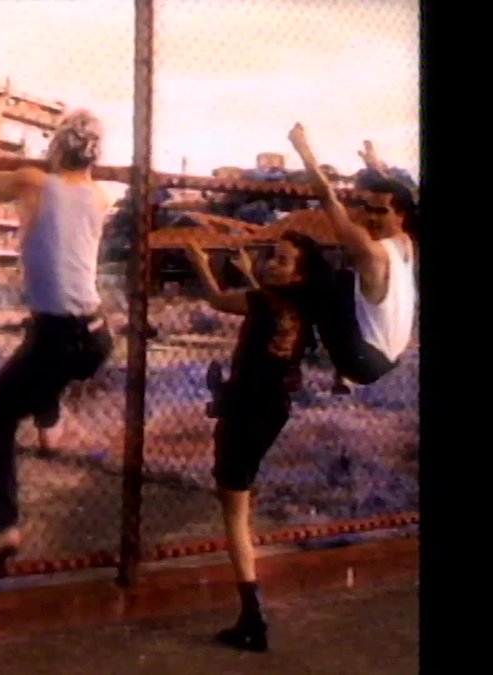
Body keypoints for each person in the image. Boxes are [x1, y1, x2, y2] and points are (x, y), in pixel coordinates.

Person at [0, 90, 113, 576]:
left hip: (56, 336)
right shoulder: (100, 196)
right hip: (96, 337)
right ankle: (50, 424)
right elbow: (73, 189)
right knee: (40, 370)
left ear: (56, 148)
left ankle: (3, 528)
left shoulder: (35, 182)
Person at [186, 233, 333, 653]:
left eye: (282, 260)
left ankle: (252, 616)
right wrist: (250, 270)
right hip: (272, 408)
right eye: (272, 257)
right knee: (239, 496)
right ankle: (251, 612)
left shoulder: (262, 301)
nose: (272, 263)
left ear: (298, 273)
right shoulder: (300, 304)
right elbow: (268, 299)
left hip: (246, 411)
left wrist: (199, 260)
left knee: (234, 510)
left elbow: (217, 300)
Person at [288, 124, 418, 388]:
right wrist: (375, 167)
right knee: (345, 279)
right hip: (388, 359)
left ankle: (292, 362)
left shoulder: (371, 252)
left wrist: (303, 151)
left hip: (362, 361)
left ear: (400, 215)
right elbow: (403, 199)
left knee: (314, 272)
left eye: (380, 212)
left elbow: (328, 199)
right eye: (368, 209)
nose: (371, 217)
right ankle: (330, 368)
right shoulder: (405, 243)